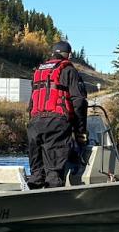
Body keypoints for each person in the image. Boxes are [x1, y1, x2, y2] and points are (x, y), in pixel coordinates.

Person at [26, 41, 89, 189]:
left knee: (37, 173)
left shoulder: (38, 72)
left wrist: (33, 122)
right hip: (57, 123)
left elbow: (31, 104)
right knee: (54, 173)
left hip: (34, 124)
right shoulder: (69, 70)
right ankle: (55, 203)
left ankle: (32, 197)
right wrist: (80, 131)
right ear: (69, 55)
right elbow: (79, 102)